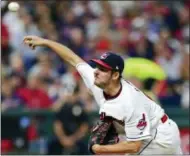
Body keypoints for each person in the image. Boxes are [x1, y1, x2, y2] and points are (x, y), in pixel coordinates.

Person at [23, 35, 182, 155]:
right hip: (151, 132)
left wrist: (100, 148)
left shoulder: (130, 101)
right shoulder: (97, 80)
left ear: (114, 75)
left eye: (103, 69)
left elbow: (134, 146)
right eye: (98, 66)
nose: (97, 71)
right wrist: (46, 42)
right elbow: (73, 58)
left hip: (160, 138)